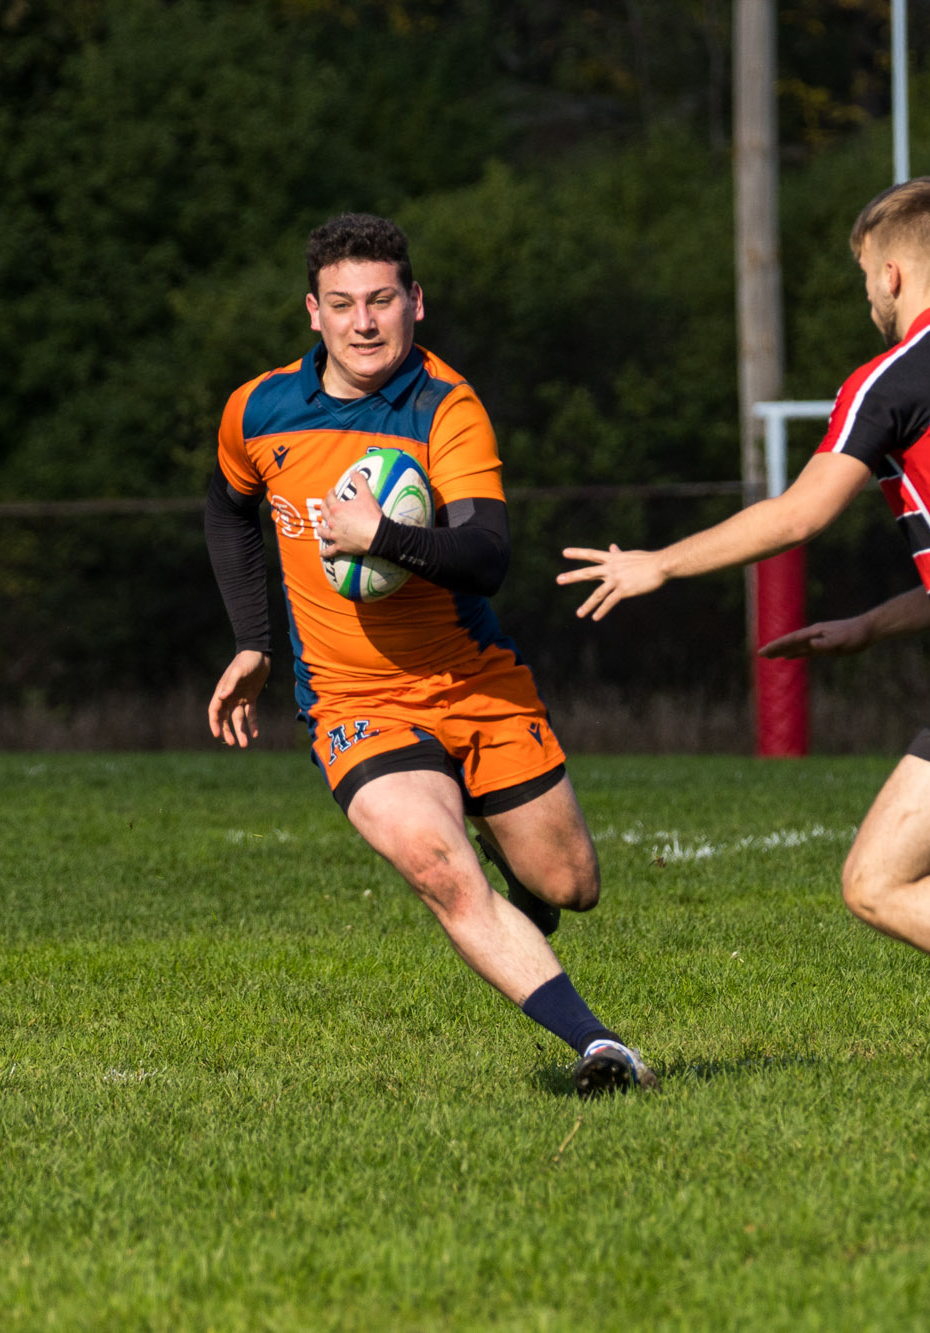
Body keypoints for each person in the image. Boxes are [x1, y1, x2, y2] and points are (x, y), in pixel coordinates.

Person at [557, 178, 930, 1125]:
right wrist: (867, 626)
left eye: (865, 284)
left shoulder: (896, 374)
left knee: (878, 880)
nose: (869, 303)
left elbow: (799, 513)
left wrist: (660, 565)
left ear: (891, 272)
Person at [204, 212, 656, 1095]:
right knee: (440, 867)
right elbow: (227, 508)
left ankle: (521, 902)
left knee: (569, 884)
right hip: (351, 698)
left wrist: (383, 536)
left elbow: (487, 556)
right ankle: (600, 1046)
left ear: (416, 302)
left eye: (381, 300)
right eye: (342, 304)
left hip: (471, 679)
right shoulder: (258, 409)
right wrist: (255, 643)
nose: (363, 323)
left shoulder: (445, 406)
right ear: (312, 312)